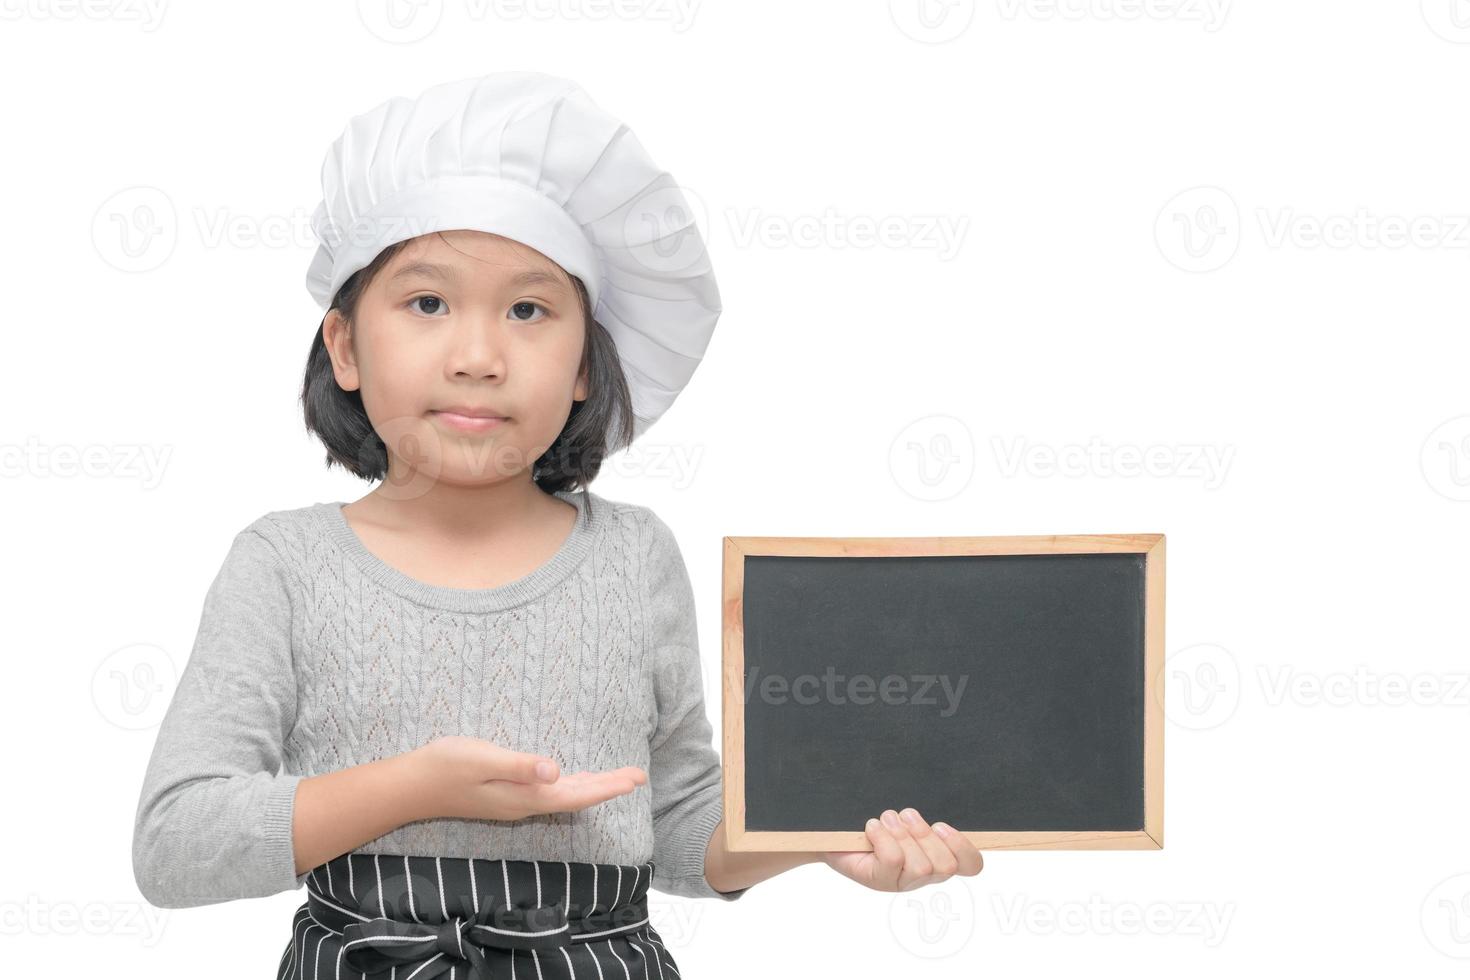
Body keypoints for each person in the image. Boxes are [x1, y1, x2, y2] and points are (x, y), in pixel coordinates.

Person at [130, 70, 982, 979]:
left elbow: (679, 819)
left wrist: (817, 836)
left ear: (585, 364)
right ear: (344, 346)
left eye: (529, 310)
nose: (477, 357)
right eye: (427, 303)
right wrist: (418, 788)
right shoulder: (287, 563)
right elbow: (176, 842)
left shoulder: (635, 556)